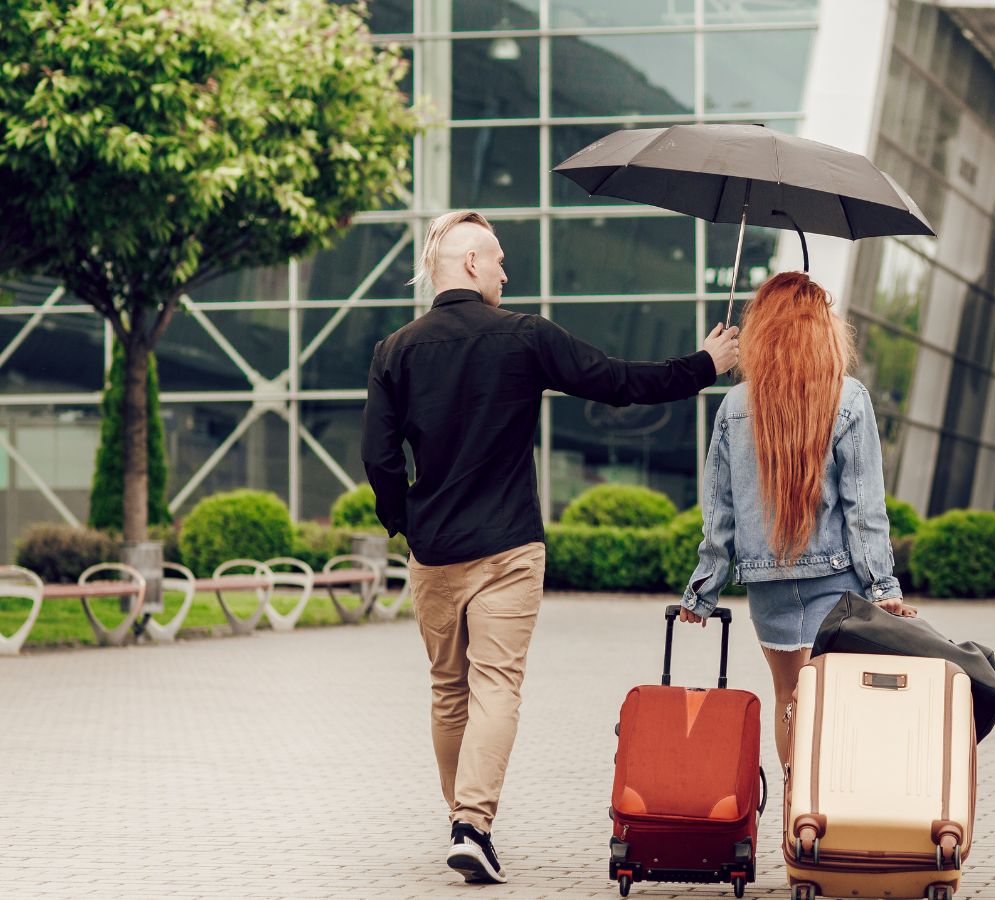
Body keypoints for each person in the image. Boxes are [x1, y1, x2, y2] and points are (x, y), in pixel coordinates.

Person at [361, 210, 739, 885]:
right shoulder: (524, 337)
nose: (507, 272)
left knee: (449, 689)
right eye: (499, 259)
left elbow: (379, 459)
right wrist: (704, 365)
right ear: (471, 264)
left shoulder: (396, 350)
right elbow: (619, 382)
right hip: (507, 546)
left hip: (435, 553)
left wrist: (407, 523)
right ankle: (471, 825)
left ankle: (463, 821)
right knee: (496, 684)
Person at [677, 271, 915, 767]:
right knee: (834, 704)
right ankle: (822, 817)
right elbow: (864, 508)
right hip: (837, 583)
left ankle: (795, 819)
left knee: (789, 700)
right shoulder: (848, 398)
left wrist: (702, 593)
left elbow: (719, 518)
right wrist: (883, 587)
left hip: (768, 589)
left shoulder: (734, 407)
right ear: (822, 329)